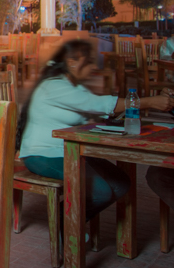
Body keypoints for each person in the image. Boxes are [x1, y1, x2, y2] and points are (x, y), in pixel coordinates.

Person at [17, 40, 174, 223]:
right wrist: (149, 102)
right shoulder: (54, 86)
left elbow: (94, 112)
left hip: (69, 151)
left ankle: (73, 222)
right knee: (100, 190)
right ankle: (66, 228)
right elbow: (98, 104)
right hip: (43, 154)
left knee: (121, 184)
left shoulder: (74, 87)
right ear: (72, 62)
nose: (93, 67)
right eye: (89, 62)